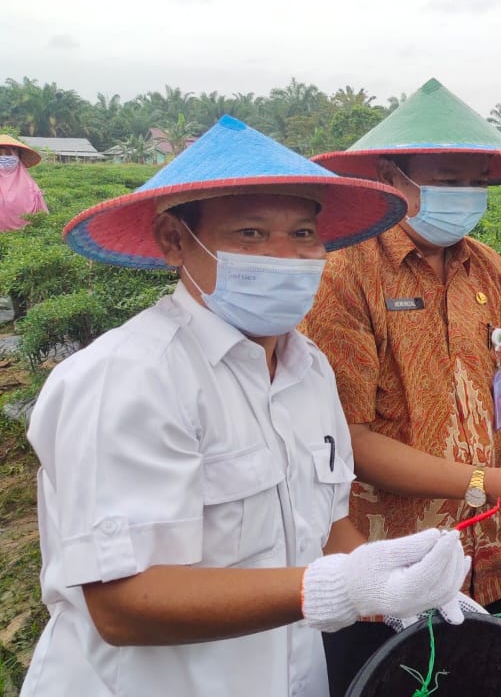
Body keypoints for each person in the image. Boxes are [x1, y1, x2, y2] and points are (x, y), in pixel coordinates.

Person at [20, 116, 471, 697]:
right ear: (174, 241)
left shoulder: (308, 370)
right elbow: (123, 604)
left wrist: (399, 589)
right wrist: (336, 588)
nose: (286, 256)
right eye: (251, 234)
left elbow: (328, 531)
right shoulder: (128, 378)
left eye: (304, 234)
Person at [304, 79, 501, 694]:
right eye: (448, 177)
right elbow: (349, 441)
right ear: (393, 178)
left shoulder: (488, 268)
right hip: (381, 572)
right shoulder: (344, 273)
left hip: (487, 564)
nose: (465, 196)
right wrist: (489, 483)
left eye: (476, 182)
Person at [0, 134, 49, 232]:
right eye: (0, 154)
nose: (4, 158)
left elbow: (41, 215)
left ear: (17, 157)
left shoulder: (31, 186)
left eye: (9, 154)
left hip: (27, 235)